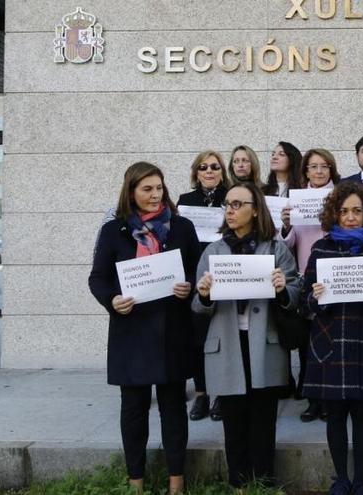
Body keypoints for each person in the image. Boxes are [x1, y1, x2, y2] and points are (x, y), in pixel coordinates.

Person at [88, 162, 200, 494]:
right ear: (131, 192)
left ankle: (176, 482)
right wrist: (112, 299)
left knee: (173, 409)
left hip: (172, 331)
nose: (155, 195)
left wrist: (190, 285)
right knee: (134, 411)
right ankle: (135, 481)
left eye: (159, 188)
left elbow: (197, 268)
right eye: (146, 189)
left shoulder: (182, 227)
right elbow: (98, 277)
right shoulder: (114, 231)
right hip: (132, 332)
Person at [192, 182, 301, 488]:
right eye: (227, 204)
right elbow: (197, 307)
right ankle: (238, 483)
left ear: (255, 211)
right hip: (226, 343)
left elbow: (295, 292)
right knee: (233, 420)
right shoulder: (213, 250)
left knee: (263, 419)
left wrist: (283, 287)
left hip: (264, 343)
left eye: (238, 204)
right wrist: (203, 294)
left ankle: (264, 482)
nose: (230, 210)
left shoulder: (276, 248)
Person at [301, 181, 363, 495]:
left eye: (357, 210)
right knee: (336, 415)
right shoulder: (321, 248)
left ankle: (360, 480)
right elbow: (304, 303)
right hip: (331, 343)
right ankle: (341, 478)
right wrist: (316, 297)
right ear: (335, 214)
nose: (351, 217)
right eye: (344, 211)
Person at [280, 148, 341, 423]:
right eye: (313, 167)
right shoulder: (297, 199)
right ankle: (313, 399)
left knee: (331, 341)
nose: (318, 171)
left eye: (324, 166)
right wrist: (285, 224)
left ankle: (330, 399)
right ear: (305, 171)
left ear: (331, 170)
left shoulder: (340, 196)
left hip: (334, 275)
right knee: (308, 345)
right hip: (306, 276)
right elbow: (287, 244)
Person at [178, 150, 231, 422]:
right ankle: (202, 394)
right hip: (196, 275)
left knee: (223, 337)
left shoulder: (231, 198)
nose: (209, 171)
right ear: (196, 173)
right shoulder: (186, 202)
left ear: (222, 171)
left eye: (214, 166)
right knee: (198, 337)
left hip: (227, 272)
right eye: (203, 167)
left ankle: (222, 393)